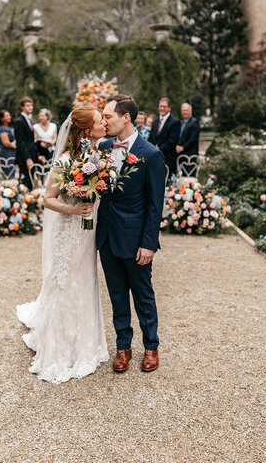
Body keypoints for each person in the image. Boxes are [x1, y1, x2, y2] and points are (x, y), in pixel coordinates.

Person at [16, 105, 109, 383]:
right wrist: (73, 209)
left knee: (86, 280)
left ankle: (86, 342)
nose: (104, 123)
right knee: (67, 281)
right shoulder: (66, 160)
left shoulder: (99, 155)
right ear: (86, 130)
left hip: (88, 232)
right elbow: (48, 198)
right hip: (70, 230)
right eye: (99, 121)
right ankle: (59, 349)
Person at [97, 95, 166, 374]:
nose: (104, 121)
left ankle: (151, 346)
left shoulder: (151, 154)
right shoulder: (102, 148)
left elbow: (155, 205)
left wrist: (148, 244)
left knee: (143, 295)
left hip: (136, 239)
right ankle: (123, 347)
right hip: (106, 237)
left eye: (108, 117)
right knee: (116, 296)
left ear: (126, 117)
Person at [149, 97, 180, 174]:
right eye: (161, 106)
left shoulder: (175, 122)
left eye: (164, 106)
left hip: (168, 159)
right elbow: (151, 138)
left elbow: (172, 141)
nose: (162, 108)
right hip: (154, 159)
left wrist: (158, 150)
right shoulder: (155, 121)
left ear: (169, 108)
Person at [14, 97, 37, 190]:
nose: (30, 107)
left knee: (31, 182)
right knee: (25, 183)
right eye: (27, 105)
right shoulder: (20, 121)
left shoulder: (29, 120)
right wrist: (27, 158)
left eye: (31, 105)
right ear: (22, 107)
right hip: (24, 157)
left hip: (32, 154)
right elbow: (20, 142)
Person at [176, 102, 200, 177]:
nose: (185, 112)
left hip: (190, 154)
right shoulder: (182, 122)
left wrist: (183, 147)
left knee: (190, 176)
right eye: (183, 110)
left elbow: (193, 139)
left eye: (186, 110)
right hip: (181, 155)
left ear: (190, 111)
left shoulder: (195, 122)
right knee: (182, 177)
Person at [0, 110, 16, 178]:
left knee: (13, 172)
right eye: (6, 116)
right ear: (2, 119)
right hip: (7, 153)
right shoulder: (2, 129)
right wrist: (17, 148)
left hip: (12, 152)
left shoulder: (9, 128)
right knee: (8, 173)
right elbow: (6, 143)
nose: (9, 117)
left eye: (9, 115)